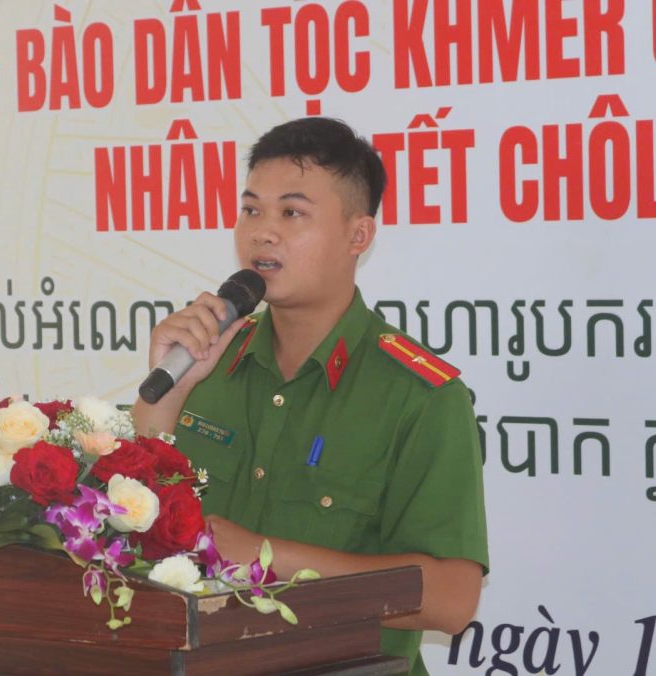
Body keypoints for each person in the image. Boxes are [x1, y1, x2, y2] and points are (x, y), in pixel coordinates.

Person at [132, 117, 488, 675]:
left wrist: (266, 557)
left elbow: (452, 599)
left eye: (292, 213)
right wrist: (167, 395)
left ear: (358, 236)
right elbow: (123, 521)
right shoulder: (207, 360)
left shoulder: (419, 396)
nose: (262, 233)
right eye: (251, 210)